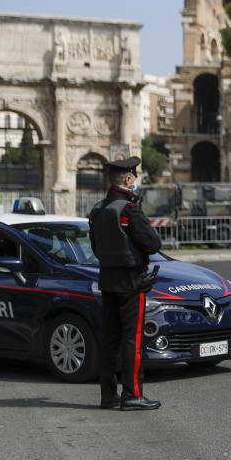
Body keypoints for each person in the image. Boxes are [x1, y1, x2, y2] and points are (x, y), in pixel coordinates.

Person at [89, 157, 163, 411]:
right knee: (133, 339)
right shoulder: (130, 209)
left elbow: (96, 248)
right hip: (132, 282)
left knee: (109, 340)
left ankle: (108, 396)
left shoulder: (97, 210)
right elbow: (153, 244)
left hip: (107, 280)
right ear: (128, 179)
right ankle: (132, 395)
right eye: (135, 178)